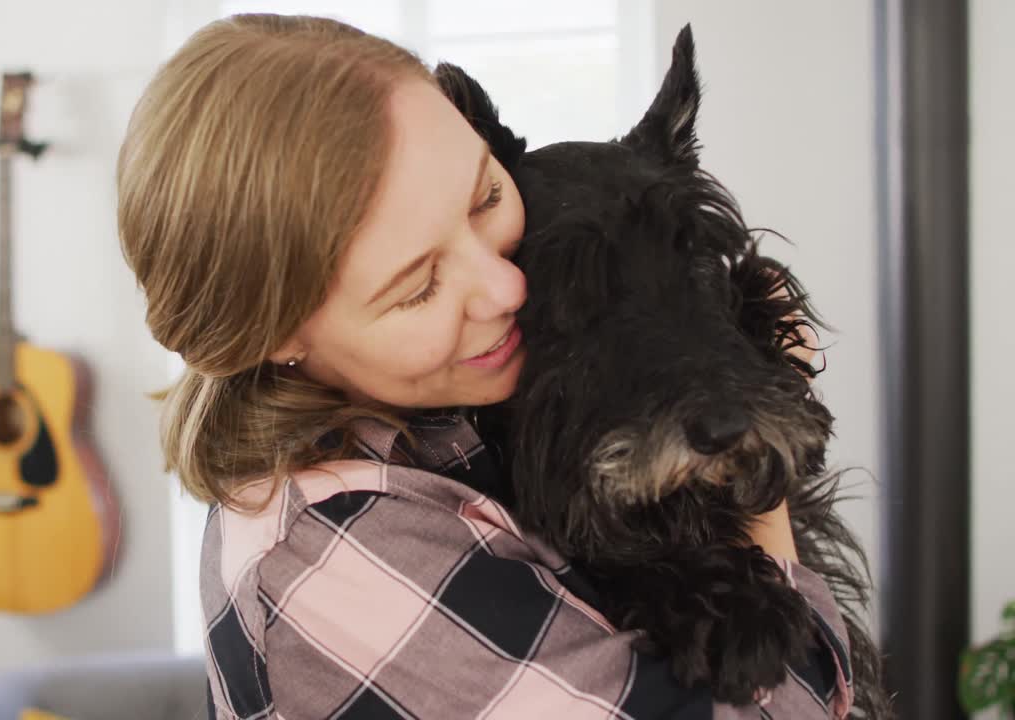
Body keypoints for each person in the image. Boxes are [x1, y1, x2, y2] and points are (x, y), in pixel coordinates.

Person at [116, 13, 852, 719]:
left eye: (485, 197)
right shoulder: (327, 553)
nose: (508, 288)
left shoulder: (449, 419)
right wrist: (756, 481)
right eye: (418, 286)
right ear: (277, 335)